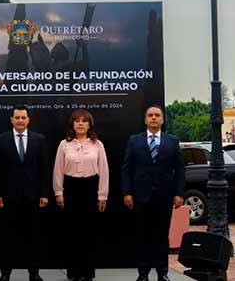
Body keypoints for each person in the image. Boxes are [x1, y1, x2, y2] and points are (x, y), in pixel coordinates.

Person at [122, 105, 184, 281]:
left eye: (157, 115)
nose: (154, 118)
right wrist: (127, 192)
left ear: (162, 119)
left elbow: (180, 169)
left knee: (162, 236)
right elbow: (126, 168)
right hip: (140, 196)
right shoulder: (134, 140)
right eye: (150, 115)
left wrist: (179, 193)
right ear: (145, 120)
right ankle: (143, 274)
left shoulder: (172, 141)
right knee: (142, 236)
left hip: (164, 197)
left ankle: (162, 273)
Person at [0, 105, 51, 281]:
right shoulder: (1, 139)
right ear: (11, 119)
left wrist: (44, 194)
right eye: (17, 117)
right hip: (9, 198)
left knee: (33, 238)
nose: (20, 120)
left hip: (33, 198)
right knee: (7, 238)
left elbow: (44, 169)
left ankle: (34, 273)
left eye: (23, 117)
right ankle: (5, 274)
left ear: (28, 120)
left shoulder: (39, 139)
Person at [53, 109, 109, 281]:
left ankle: (88, 272)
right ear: (72, 124)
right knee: (72, 233)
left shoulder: (97, 145)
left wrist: (102, 196)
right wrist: (58, 192)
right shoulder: (64, 144)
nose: (80, 124)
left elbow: (104, 171)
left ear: (89, 124)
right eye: (77, 121)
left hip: (91, 189)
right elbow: (58, 170)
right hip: (71, 189)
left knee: (89, 233)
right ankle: (74, 272)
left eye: (84, 121)